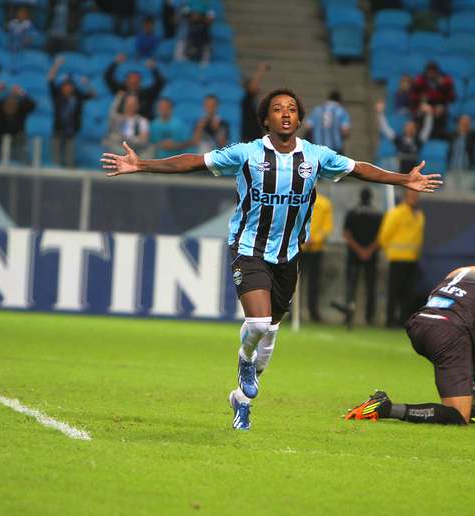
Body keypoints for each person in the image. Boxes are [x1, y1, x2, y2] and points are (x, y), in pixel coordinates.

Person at [101, 88, 442, 430]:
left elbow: (360, 169)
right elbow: (194, 162)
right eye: (278, 109)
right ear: (266, 119)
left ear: (299, 119)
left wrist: (404, 180)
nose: (285, 113)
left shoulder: (315, 156)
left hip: (289, 256)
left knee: (271, 331)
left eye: (292, 109)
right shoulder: (247, 153)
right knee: (260, 324)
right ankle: (244, 361)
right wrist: (142, 164)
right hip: (249, 248)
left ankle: (242, 400)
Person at [345, 237, 475, 425]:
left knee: (470, 364)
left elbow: (463, 319)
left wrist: (468, 363)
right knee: (457, 416)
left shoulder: (459, 271)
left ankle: (471, 408)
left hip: (419, 324)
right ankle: (385, 407)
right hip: (448, 332)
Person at [377, 189, 426, 327]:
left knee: (408, 293)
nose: (414, 199)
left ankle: (403, 320)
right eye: (412, 196)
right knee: (394, 291)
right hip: (397, 259)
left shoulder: (419, 215)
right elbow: (384, 236)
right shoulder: (396, 213)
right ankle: (390, 320)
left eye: (416, 196)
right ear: (405, 197)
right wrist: (390, 252)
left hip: (412, 260)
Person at [339, 188, 383, 328]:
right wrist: (368, 251)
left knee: (351, 286)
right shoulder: (378, 214)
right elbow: (381, 236)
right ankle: (370, 317)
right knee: (371, 287)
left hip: (354, 254)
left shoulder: (352, 212)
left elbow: (346, 234)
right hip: (372, 255)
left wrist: (358, 250)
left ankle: (348, 315)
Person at [48, 56, 96, 167]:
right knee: (55, 161)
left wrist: (87, 84)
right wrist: (56, 65)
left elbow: (94, 94)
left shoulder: (77, 97)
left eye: (70, 86)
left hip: (72, 131)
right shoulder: (57, 95)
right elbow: (50, 79)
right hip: (58, 130)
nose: (68, 88)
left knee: (70, 161)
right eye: (65, 86)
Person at [299, 193, 333, 322]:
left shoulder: (324, 204)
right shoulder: (300, 198)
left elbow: (326, 228)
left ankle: (312, 311)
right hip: (300, 247)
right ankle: (293, 312)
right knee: (293, 282)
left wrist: (312, 239)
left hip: (313, 248)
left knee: (313, 283)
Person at [444, 101, 475, 191]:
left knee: (466, 199)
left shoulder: (472, 136)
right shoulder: (452, 136)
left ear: (470, 124)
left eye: (467, 122)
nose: (465, 123)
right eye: (463, 121)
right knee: (450, 198)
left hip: (467, 172)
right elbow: (439, 130)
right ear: (459, 123)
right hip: (451, 171)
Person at [376, 99, 433, 173]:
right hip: (400, 171)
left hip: (414, 172)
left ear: (415, 129)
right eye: (408, 126)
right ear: (404, 128)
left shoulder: (419, 140)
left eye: (412, 127)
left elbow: (427, 128)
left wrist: (429, 114)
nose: (410, 128)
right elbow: (385, 128)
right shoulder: (398, 139)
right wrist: (380, 113)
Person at [104, 54, 164, 120]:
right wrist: (115, 63)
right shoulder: (120, 92)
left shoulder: (147, 94)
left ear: (140, 82)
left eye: (136, 80)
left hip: (144, 126)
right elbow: (108, 78)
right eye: (130, 79)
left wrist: (154, 69)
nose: (133, 82)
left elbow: (160, 83)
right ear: (126, 81)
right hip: (122, 125)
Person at [0, 82, 36, 162]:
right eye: (8, 101)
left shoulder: (21, 109)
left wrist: (21, 93)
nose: (11, 103)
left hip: (18, 140)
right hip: (0, 140)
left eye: (13, 101)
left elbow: (32, 104)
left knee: (25, 160)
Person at [409, 61, 455, 139]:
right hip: (424, 105)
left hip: (439, 106)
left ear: (437, 72)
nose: (431, 74)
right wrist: (421, 105)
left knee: (440, 114)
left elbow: (452, 97)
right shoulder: (420, 80)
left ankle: (438, 136)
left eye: (433, 72)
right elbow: (413, 96)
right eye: (429, 72)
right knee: (421, 115)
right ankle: (419, 136)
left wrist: (443, 107)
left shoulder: (445, 80)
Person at [240, 61, 269, 142]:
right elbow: (253, 86)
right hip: (249, 139)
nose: (257, 87)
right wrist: (261, 70)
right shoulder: (246, 99)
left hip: (256, 138)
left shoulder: (253, 102)